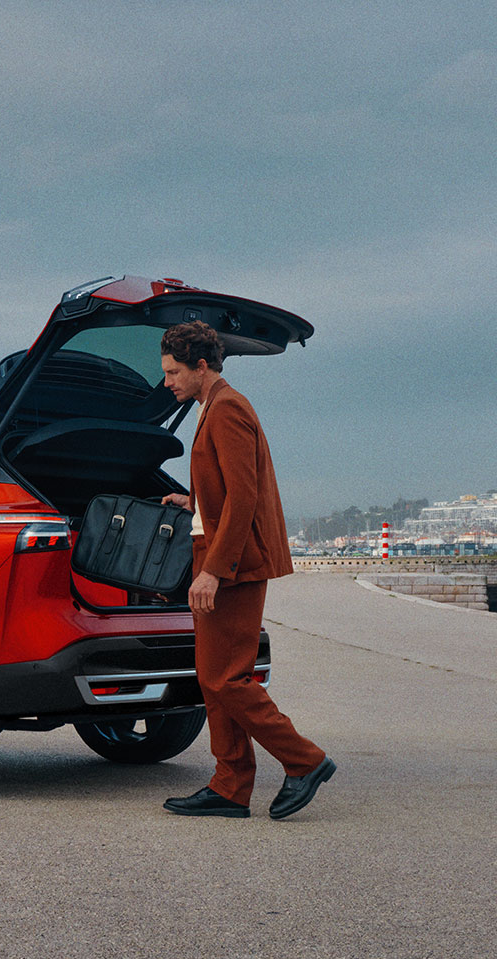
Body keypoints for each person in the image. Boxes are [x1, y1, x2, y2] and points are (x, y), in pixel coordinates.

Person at [158, 321, 335, 819]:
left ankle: (305, 760)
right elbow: (225, 491)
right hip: (217, 555)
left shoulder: (229, 408)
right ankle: (230, 785)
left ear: (200, 366)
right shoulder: (210, 407)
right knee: (214, 675)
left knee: (225, 678)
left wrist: (214, 571)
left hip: (232, 565)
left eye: (174, 372)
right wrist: (192, 501)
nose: (167, 382)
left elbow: (244, 496)